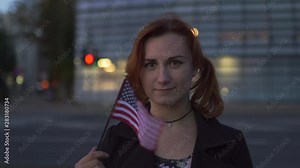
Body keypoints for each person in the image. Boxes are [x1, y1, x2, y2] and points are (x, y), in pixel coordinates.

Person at [75, 14, 253, 168]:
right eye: (151, 64)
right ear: (139, 72)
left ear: (195, 68)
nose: (162, 77)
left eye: (175, 63)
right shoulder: (117, 139)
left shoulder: (231, 142)